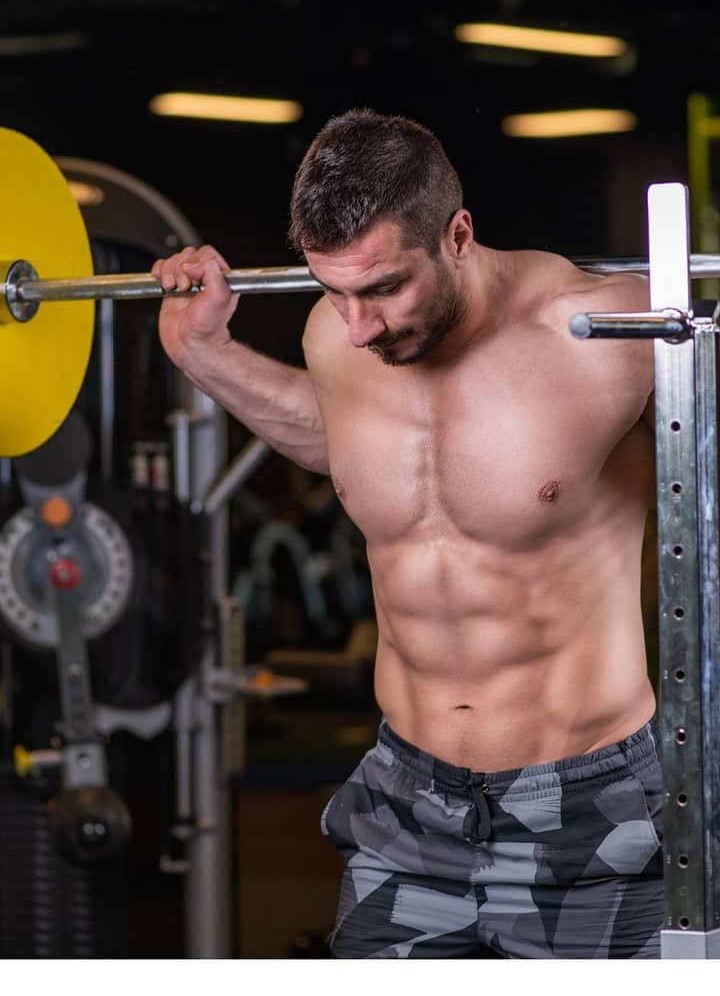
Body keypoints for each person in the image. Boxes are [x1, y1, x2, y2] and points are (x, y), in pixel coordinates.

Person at [152, 109, 662, 958]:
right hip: (408, 806)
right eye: (335, 290)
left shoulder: (608, 334)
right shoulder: (337, 334)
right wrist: (204, 354)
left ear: (458, 235)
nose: (359, 327)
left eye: (384, 288)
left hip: (593, 810)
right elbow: (344, 447)